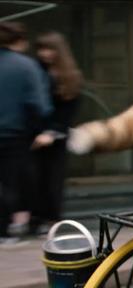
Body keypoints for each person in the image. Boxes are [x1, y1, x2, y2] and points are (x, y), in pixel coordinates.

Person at [0, 22, 52, 246]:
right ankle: (3, 231)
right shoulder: (27, 66)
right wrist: (40, 129)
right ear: (19, 41)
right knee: (9, 182)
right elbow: (39, 105)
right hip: (14, 134)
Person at [30, 31, 83, 234]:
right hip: (34, 134)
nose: (45, 53)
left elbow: (68, 112)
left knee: (52, 180)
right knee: (35, 179)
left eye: (49, 49)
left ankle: (51, 220)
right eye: (41, 49)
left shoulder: (69, 76)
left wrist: (52, 132)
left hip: (56, 136)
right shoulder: (35, 71)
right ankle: (37, 218)